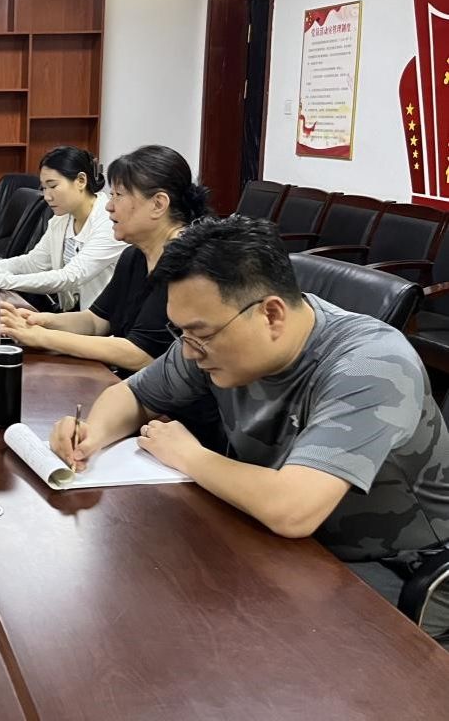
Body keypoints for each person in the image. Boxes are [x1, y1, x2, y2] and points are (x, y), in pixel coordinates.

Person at [49, 215, 449, 644]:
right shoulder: (218, 334)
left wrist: (189, 455)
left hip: (391, 571)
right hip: (280, 544)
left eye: (198, 334)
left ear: (272, 315)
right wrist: (92, 433)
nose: (188, 350)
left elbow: (293, 510)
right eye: (182, 332)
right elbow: (133, 395)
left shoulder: (372, 365)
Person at [0, 144, 209, 375]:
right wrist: (39, 321)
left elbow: (141, 354)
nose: (109, 206)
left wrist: (43, 337)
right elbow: (96, 321)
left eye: (118, 195)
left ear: (158, 204)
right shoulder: (135, 255)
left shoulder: (187, 263)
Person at [0, 146, 124, 311]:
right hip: (74, 315)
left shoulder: (109, 222)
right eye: (44, 188)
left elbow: (70, 277)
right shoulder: (61, 219)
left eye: (53, 186)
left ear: (81, 181)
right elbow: (34, 263)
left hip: (104, 321)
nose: (47, 196)